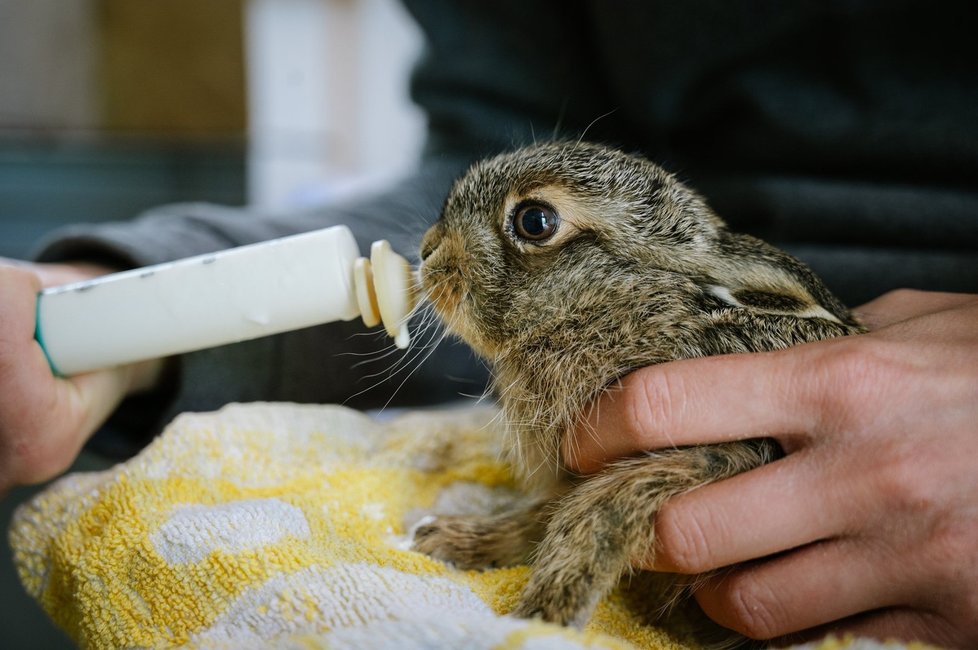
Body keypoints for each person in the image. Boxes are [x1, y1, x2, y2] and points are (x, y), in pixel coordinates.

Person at [2, 1, 976, 646]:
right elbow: (477, 164)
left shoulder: (638, 323)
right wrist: (107, 305)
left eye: (532, 227)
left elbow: (621, 499)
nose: (436, 262)